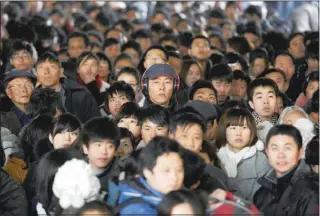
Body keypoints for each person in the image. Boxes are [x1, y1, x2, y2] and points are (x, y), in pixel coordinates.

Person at [253, 125, 319, 216]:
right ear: (267, 152)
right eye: (275, 148)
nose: (281, 155)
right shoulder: (262, 191)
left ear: (300, 152)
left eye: (287, 148)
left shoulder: (313, 191)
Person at [116, 136, 184, 215]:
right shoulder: (138, 210)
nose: (174, 177)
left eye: (179, 170)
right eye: (166, 171)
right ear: (147, 172)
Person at [215, 108, 270, 201]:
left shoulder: (261, 160)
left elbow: (262, 200)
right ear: (224, 130)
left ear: (251, 131)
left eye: (244, 128)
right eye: (233, 128)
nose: (238, 133)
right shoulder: (215, 157)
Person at [35, 52, 101, 123]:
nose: (46, 72)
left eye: (52, 66)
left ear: (61, 71)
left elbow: (96, 125)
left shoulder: (81, 94)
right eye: (41, 67)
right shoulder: (31, 98)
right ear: (36, 73)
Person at [82, 117, 121, 192]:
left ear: (116, 150)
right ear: (85, 148)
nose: (104, 152)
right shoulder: (73, 172)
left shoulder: (122, 177)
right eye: (98, 145)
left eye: (110, 146)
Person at [1, 69, 36, 135]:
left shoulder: (43, 113)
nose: (24, 90)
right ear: (8, 93)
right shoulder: (3, 120)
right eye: (18, 86)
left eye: (28, 85)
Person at [248, 78, 279, 143]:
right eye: (259, 97)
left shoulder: (283, 121)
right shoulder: (246, 124)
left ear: (276, 101)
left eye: (270, 96)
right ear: (251, 104)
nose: (266, 101)